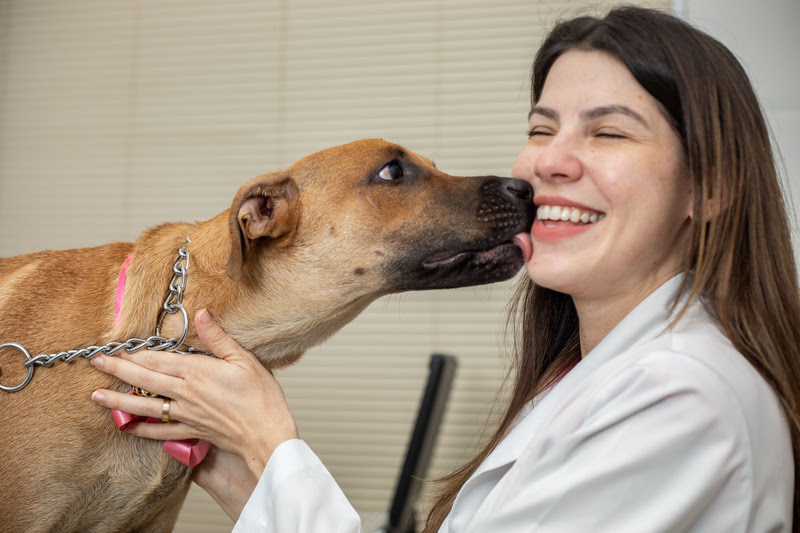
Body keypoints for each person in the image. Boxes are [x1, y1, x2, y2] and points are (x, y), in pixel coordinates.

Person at [89, 6, 800, 532]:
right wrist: (251, 474)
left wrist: (273, 444)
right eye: (541, 128)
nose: (545, 162)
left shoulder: (684, 401)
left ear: (709, 188)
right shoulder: (591, 376)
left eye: (608, 131)